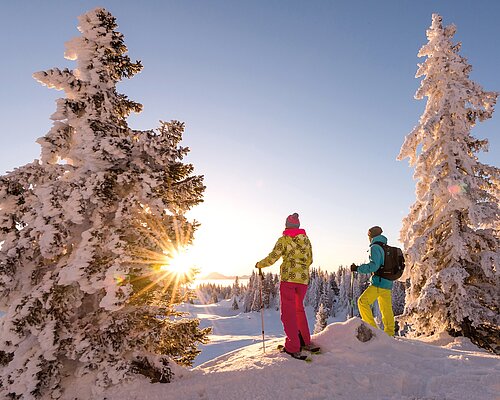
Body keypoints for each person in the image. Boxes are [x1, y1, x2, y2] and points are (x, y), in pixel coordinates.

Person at [255, 213, 318, 359]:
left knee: (288, 313)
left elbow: (273, 257)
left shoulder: (284, 239)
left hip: (288, 280)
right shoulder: (306, 240)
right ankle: (305, 341)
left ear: (287, 225)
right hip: (302, 281)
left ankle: (293, 346)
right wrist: (301, 269)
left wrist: (260, 264)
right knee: (298, 310)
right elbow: (310, 259)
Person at [350, 226, 395, 336]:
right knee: (386, 309)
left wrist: (358, 269)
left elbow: (374, 266)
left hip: (378, 282)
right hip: (388, 282)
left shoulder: (375, 247)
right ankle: (390, 333)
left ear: (371, 236)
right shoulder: (386, 247)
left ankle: (373, 331)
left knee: (362, 302)